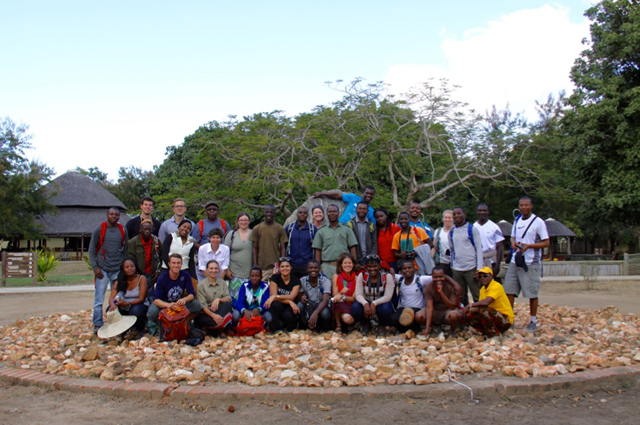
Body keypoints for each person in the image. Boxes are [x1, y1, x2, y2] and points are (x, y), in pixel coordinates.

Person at [504, 196, 550, 333]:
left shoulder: (538, 222)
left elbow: (546, 242)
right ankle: (510, 319)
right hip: (515, 260)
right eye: (521, 205)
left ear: (531, 206)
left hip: (530, 261)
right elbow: (513, 236)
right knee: (509, 290)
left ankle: (533, 321)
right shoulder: (517, 220)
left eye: (526, 205)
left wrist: (529, 246)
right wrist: (513, 242)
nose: (524, 207)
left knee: (531, 292)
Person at [89, 207, 129, 333]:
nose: (114, 216)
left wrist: (123, 268)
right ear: (107, 215)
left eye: (116, 215)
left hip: (117, 269)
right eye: (111, 214)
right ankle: (97, 323)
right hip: (103, 269)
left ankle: (116, 321)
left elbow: (126, 250)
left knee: (117, 297)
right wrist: (95, 267)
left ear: (119, 216)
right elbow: (91, 250)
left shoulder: (122, 230)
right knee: (99, 299)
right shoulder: (99, 229)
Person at [147, 254, 202, 326]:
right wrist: (168, 305)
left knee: (196, 305)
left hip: (179, 303)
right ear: (169, 264)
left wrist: (184, 299)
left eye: (178, 263)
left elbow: (191, 294)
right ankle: (164, 325)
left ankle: (184, 322)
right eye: (173, 263)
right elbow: (156, 300)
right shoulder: (162, 278)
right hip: (165, 303)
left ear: (181, 264)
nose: (176, 266)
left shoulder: (185, 275)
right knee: (152, 313)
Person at [463, 267, 514, 337]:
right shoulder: (482, 290)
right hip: (493, 315)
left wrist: (470, 305)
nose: (482, 278)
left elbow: (486, 302)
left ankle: (493, 335)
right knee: (470, 314)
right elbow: (480, 306)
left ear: (491, 276)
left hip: (505, 319)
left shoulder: (496, 286)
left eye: (485, 276)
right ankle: (487, 331)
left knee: (483, 310)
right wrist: (468, 311)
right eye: (480, 277)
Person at [312, 204, 359, 278]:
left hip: (344, 266)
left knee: (344, 288)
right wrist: (318, 268)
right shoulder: (321, 231)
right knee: (327, 289)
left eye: (334, 211)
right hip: (327, 267)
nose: (332, 213)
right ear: (327, 213)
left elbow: (352, 247)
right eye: (330, 211)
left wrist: (353, 264)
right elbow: (318, 250)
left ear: (338, 213)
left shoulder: (347, 229)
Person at [352, 255, 394, 336]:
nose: (372, 269)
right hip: (367, 301)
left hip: (381, 303)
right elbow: (358, 294)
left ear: (379, 266)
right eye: (369, 267)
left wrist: (374, 303)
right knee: (355, 307)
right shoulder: (362, 276)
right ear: (366, 267)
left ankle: (381, 325)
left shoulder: (387, 277)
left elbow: (388, 296)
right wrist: (365, 303)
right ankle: (365, 324)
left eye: (375, 266)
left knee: (386, 308)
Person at [449, 206, 483, 305]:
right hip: (457, 269)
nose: (457, 216)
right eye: (454, 214)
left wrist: (479, 268)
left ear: (464, 214)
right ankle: (464, 317)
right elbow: (452, 249)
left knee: (477, 295)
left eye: (459, 213)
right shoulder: (452, 231)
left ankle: (481, 316)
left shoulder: (472, 229)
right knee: (460, 295)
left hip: (471, 267)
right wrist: (453, 264)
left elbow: (479, 249)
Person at [107, 258, 148, 339]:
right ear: (123, 269)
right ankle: (121, 330)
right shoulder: (119, 281)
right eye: (127, 267)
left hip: (138, 304)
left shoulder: (142, 278)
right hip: (123, 305)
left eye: (132, 266)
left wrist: (128, 303)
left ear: (135, 267)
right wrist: (112, 304)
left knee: (135, 310)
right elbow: (112, 297)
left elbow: (141, 298)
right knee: (110, 309)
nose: (130, 268)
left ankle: (140, 329)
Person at [419, 266, 463, 336]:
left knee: (454, 316)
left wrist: (441, 293)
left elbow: (452, 307)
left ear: (445, 276)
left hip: (448, 310)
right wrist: (427, 328)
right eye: (435, 277)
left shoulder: (450, 286)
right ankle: (434, 327)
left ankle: (452, 330)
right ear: (432, 277)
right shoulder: (429, 288)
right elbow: (429, 308)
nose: (438, 279)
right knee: (419, 316)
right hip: (436, 311)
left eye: (441, 277)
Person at [392, 260, 432, 333]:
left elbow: (436, 277)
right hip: (403, 307)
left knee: (414, 319)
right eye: (404, 268)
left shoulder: (420, 279)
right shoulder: (400, 279)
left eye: (409, 268)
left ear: (414, 269)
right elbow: (389, 273)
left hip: (417, 308)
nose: (407, 270)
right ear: (401, 270)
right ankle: (404, 331)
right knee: (394, 319)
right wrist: (390, 269)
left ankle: (415, 330)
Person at [250, 205, 288, 281]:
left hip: (275, 266)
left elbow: (283, 247)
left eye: (271, 212)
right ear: (264, 213)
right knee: (262, 290)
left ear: (274, 214)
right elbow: (255, 247)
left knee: (275, 289)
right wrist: (255, 264)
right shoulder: (257, 228)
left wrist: (282, 263)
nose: (269, 214)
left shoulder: (279, 228)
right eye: (267, 212)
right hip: (261, 266)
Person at [194, 260, 233, 334]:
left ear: (218, 270)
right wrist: (214, 316)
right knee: (199, 318)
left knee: (227, 305)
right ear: (207, 270)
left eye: (215, 268)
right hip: (207, 313)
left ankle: (212, 327)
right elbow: (203, 306)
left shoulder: (222, 283)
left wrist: (218, 300)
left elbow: (228, 299)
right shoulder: (201, 285)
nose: (213, 271)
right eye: (211, 268)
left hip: (220, 311)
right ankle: (219, 326)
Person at [264, 258, 300, 333]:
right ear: (279, 268)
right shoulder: (275, 278)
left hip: (289, 306)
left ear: (291, 268)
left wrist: (276, 297)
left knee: (289, 314)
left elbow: (292, 297)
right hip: (280, 303)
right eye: (282, 266)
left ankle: (290, 330)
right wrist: (289, 302)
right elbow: (273, 296)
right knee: (275, 305)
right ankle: (276, 329)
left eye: (287, 266)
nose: (285, 268)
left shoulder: (296, 280)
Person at [224, 212, 253, 304]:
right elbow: (225, 253)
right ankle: (235, 318)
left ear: (249, 221)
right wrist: (227, 269)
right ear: (237, 221)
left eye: (245, 220)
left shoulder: (253, 234)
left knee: (249, 300)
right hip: (234, 273)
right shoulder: (231, 235)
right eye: (241, 220)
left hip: (250, 273)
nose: (243, 222)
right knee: (235, 300)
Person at [297, 259, 332, 331]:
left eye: (315, 268)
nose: (313, 270)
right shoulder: (302, 280)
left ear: (319, 269)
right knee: (299, 305)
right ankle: (304, 326)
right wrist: (301, 298)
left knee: (325, 313)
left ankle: (325, 328)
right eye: (311, 268)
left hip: (321, 305)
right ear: (307, 269)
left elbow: (325, 300)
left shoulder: (325, 281)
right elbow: (299, 295)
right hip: (309, 305)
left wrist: (316, 312)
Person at [284, 206, 317, 279]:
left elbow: (317, 247)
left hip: (307, 265)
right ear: (297, 214)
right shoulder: (289, 228)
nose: (302, 214)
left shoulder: (313, 229)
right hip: (291, 265)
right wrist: (284, 261)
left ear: (308, 215)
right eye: (300, 212)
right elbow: (283, 245)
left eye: (305, 213)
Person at [127, 220, 162, 287]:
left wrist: (158, 270)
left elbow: (162, 257)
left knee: (150, 295)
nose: (147, 231)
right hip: (137, 274)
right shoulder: (133, 242)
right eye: (145, 229)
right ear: (140, 230)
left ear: (152, 230)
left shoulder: (157, 242)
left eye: (149, 229)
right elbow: (130, 258)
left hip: (152, 274)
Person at [474, 203, 505, 277]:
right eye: (480, 210)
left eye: (484, 210)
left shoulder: (494, 227)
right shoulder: (473, 227)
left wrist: (498, 265)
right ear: (477, 212)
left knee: (493, 284)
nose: (482, 212)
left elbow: (499, 246)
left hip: (492, 261)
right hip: (478, 261)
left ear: (488, 212)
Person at [331, 253, 357, 333]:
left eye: (349, 263)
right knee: (336, 300)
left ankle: (352, 325)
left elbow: (353, 298)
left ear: (353, 264)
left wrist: (342, 296)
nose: (347, 265)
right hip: (339, 303)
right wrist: (341, 293)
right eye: (345, 263)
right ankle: (338, 325)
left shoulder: (356, 278)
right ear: (341, 265)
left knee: (348, 319)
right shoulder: (336, 276)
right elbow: (335, 294)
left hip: (351, 304)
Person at [347, 201, 378, 265]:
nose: (362, 210)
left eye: (364, 209)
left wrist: (371, 258)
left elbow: (375, 243)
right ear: (356, 210)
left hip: (369, 258)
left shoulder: (371, 225)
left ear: (367, 211)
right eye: (360, 208)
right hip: (355, 259)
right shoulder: (350, 224)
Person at [375, 207, 401, 272]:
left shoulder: (395, 227)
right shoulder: (374, 231)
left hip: (396, 262)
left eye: (381, 216)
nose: (379, 218)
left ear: (386, 215)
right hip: (382, 263)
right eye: (377, 217)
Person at [431, 210, 454, 277]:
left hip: (455, 263)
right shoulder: (438, 231)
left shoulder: (456, 230)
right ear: (443, 219)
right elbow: (434, 247)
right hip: (442, 262)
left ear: (453, 219)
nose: (447, 219)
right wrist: (431, 260)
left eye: (449, 218)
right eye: (445, 217)